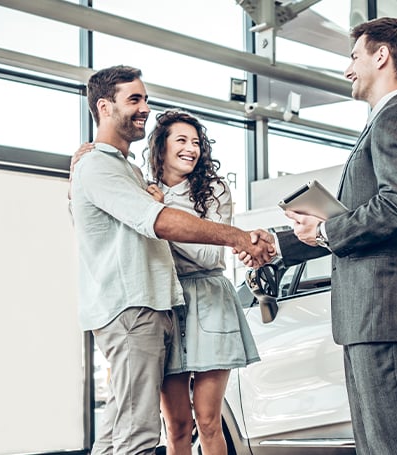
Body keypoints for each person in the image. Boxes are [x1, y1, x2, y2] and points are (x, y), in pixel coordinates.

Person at [242, 17, 397, 455]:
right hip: (367, 311)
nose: (348, 69)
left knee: (391, 443)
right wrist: (284, 244)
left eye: (354, 57)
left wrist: (327, 228)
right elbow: (364, 215)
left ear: (381, 56)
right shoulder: (384, 121)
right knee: (374, 444)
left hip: (383, 308)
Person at [71, 65, 273, 455]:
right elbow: (159, 223)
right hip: (135, 309)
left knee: (121, 428)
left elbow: (170, 233)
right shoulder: (101, 166)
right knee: (141, 432)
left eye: (146, 99)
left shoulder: (126, 171)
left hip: (159, 306)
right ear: (104, 106)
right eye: (135, 99)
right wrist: (242, 238)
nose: (145, 107)